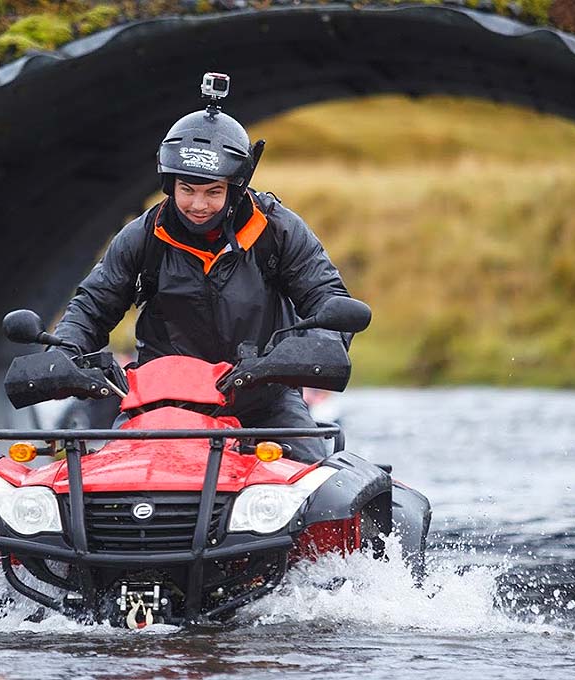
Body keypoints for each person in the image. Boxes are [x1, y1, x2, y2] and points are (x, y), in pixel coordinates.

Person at [52, 89, 358, 462]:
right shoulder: (142, 237)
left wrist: (317, 348)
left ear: (235, 188)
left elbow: (327, 298)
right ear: (171, 185)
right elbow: (92, 306)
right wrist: (64, 352)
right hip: (159, 406)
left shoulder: (278, 231)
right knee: (107, 482)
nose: (198, 205)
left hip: (264, 406)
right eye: (187, 190)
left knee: (315, 484)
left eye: (213, 191)